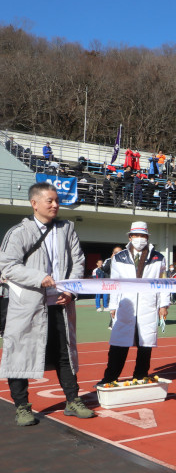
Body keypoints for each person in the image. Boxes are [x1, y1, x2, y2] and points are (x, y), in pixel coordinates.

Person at [0, 182, 95, 425]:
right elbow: (8, 266)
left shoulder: (67, 229)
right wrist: (38, 278)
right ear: (34, 203)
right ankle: (22, 407)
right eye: (49, 201)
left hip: (60, 304)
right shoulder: (19, 232)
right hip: (27, 305)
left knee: (65, 354)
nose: (55, 205)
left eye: (57, 200)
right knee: (19, 354)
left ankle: (72, 401)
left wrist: (72, 291)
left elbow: (78, 262)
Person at [99, 221, 169, 385]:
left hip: (148, 305)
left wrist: (164, 304)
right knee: (118, 344)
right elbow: (114, 283)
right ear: (130, 237)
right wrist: (113, 305)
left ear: (147, 237)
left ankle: (140, 375)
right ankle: (110, 377)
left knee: (145, 345)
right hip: (126, 305)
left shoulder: (158, 257)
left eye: (143, 236)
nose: (139, 239)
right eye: (136, 235)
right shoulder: (119, 257)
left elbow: (164, 282)